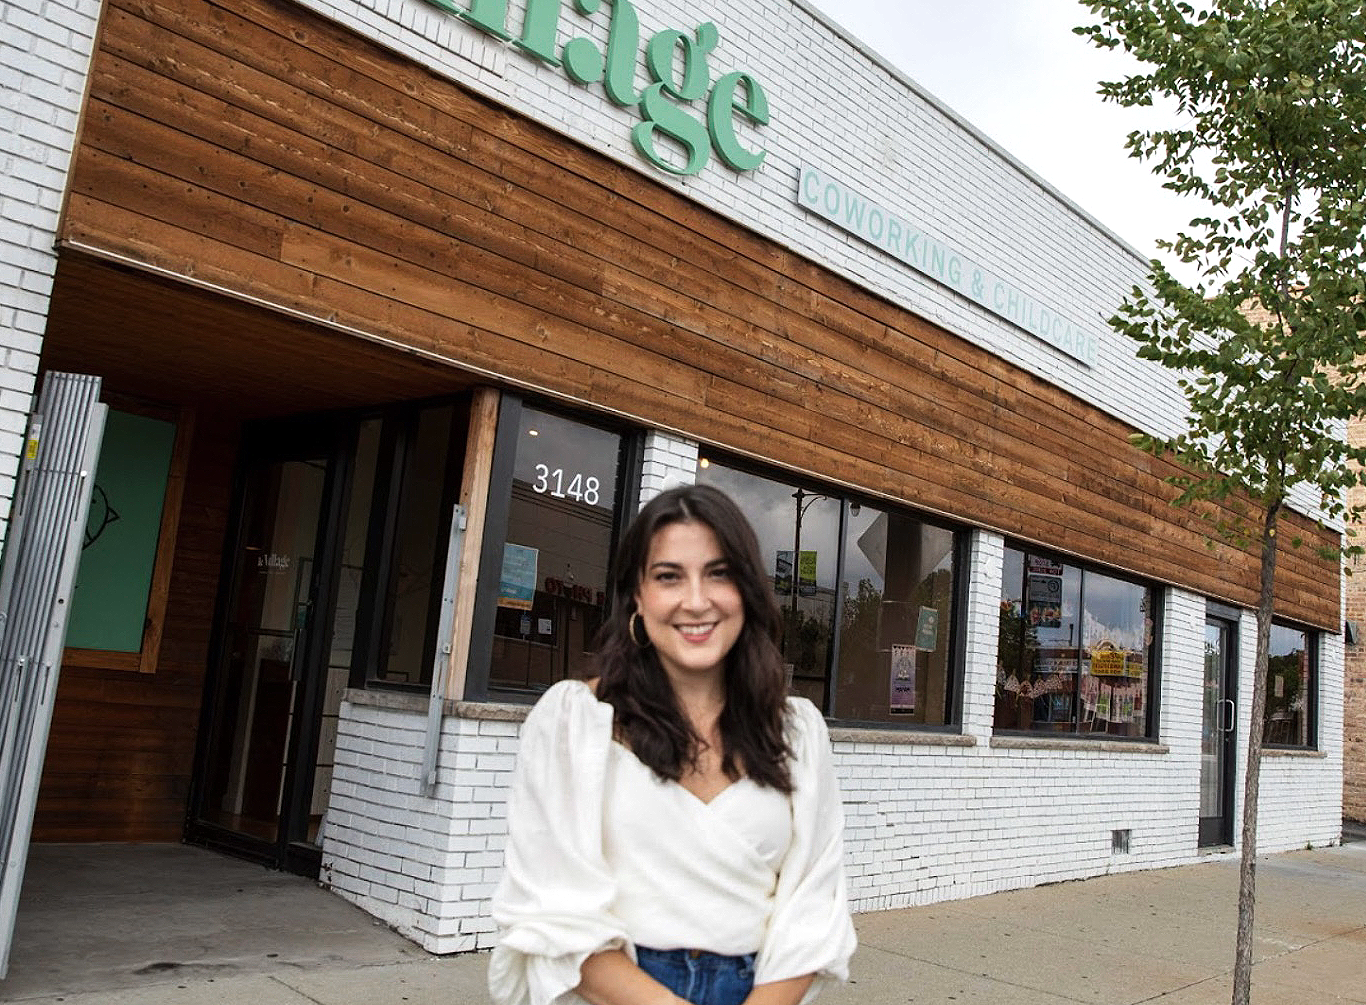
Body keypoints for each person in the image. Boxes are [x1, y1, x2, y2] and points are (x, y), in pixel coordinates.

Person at [488, 483, 857, 1005]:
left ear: (747, 591)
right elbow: (550, 912)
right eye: (668, 577)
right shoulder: (575, 721)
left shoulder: (797, 730)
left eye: (719, 573)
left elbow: (813, 908)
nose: (697, 601)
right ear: (637, 594)